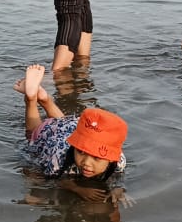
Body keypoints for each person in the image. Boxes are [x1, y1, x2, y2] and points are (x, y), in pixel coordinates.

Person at [16, 64, 129, 205]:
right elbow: (56, 180)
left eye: (96, 158)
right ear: (75, 147)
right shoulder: (59, 159)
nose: (87, 163)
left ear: (111, 159)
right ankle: (31, 99)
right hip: (55, 137)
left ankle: (45, 100)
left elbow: (118, 179)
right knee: (33, 133)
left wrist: (118, 189)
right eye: (81, 152)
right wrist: (77, 189)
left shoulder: (119, 161)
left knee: (63, 122)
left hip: (80, 127)